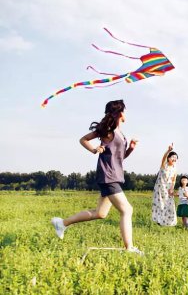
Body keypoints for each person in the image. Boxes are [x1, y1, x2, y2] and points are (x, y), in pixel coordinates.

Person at [51, 100, 143, 255]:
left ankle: (61, 223)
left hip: (114, 175)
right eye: (125, 111)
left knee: (100, 213)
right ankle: (129, 249)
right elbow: (83, 139)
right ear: (120, 113)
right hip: (108, 176)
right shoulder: (108, 131)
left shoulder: (120, 133)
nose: (126, 114)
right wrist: (94, 149)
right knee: (127, 210)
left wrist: (131, 149)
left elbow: (119, 158)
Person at [152, 144, 178, 226]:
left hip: (168, 189)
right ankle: (159, 222)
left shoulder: (175, 168)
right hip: (160, 188)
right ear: (168, 158)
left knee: (169, 204)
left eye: (176, 158)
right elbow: (163, 158)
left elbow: (174, 180)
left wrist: (172, 188)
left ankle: (169, 222)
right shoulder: (164, 165)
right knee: (160, 204)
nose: (174, 159)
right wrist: (168, 151)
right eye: (173, 157)